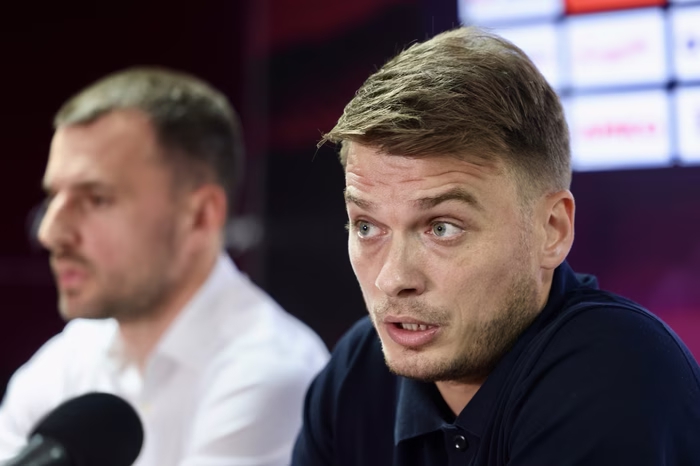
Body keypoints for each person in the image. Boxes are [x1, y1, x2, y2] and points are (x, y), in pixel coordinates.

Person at [292, 27, 700, 465]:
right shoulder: (356, 371)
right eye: (367, 226)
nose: (392, 279)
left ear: (551, 229)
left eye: (442, 228)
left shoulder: (617, 368)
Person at [0, 67, 329, 466]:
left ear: (200, 215)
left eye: (96, 199)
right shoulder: (64, 361)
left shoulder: (270, 372)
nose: (50, 233)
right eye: (53, 198)